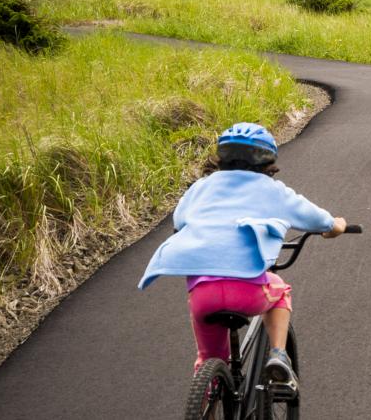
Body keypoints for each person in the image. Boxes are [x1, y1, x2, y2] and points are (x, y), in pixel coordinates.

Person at [138, 122, 349, 385]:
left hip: (204, 295)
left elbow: (179, 222)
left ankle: (208, 399)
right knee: (280, 291)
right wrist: (335, 225)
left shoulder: (200, 188)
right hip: (246, 292)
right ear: (267, 160)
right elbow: (316, 218)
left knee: (208, 359)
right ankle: (278, 355)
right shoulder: (272, 190)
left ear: (222, 156)